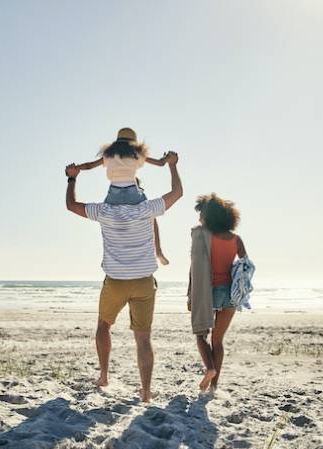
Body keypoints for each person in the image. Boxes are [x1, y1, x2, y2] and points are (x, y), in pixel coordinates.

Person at [64, 152, 183, 402]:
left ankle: (104, 376)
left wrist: (72, 179)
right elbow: (177, 192)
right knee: (143, 338)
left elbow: (71, 206)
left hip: (116, 281)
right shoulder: (147, 209)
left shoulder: (104, 211)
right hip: (143, 282)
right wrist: (171, 166)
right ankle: (146, 393)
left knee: (103, 326)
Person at [67, 127, 172, 265]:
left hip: (114, 193)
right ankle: (158, 251)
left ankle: (111, 257)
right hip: (133, 192)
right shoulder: (136, 154)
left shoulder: (109, 155)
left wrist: (75, 169)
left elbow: (89, 166)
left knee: (107, 219)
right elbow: (160, 163)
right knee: (150, 216)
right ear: (134, 142)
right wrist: (167, 158)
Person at [187, 194, 247, 392]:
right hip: (230, 293)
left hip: (207, 292)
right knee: (218, 341)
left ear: (209, 216)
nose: (199, 219)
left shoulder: (202, 236)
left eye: (201, 214)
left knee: (200, 335)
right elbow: (246, 266)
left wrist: (190, 295)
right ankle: (214, 386)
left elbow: (195, 268)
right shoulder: (236, 239)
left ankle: (210, 368)